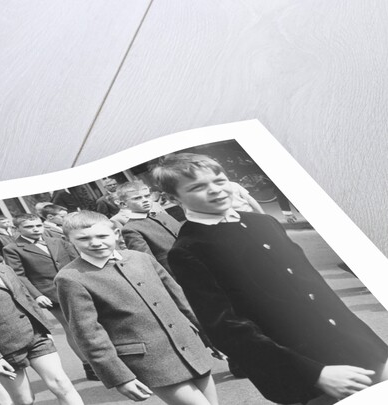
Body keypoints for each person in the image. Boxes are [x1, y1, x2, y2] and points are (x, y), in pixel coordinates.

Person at [152, 153, 388, 405]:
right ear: (174, 198)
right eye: (198, 187)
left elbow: (318, 290)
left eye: (219, 181)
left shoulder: (263, 223)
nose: (215, 190)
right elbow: (226, 328)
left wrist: (374, 348)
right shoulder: (188, 249)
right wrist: (313, 374)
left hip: (357, 345)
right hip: (305, 370)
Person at [55, 211, 218, 405]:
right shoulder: (71, 278)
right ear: (68, 240)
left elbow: (180, 299)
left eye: (102, 236)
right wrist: (119, 376)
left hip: (190, 344)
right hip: (150, 360)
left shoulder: (140, 258)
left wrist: (211, 338)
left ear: (116, 233)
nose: (95, 243)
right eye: (84, 239)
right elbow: (89, 334)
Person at [0, 231, 84, 405]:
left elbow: (26, 299)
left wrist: (44, 327)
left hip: (36, 337)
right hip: (3, 347)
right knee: (24, 399)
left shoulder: (3, 268)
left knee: (62, 384)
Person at [2, 214, 98, 381]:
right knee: (73, 328)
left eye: (38, 225)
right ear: (17, 229)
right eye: (29, 227)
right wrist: (37, 295)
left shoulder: (57, 241)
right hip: (51, 294)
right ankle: (89, 365)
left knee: (96, 322)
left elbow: (78, 260)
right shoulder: (13, 249)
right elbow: (19, 276)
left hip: (79, 286)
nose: (36, 229)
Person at [118, 181, 181, 276]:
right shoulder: (131, 229)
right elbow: (149, 263)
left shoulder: (163, 216)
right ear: (124, 204)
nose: (145, 200)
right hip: (177, 274)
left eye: (147, 196)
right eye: (137, 198)